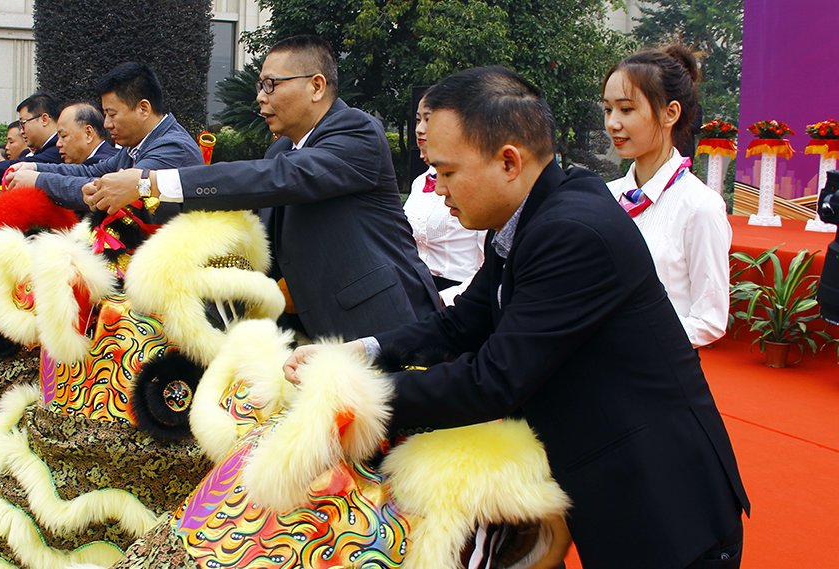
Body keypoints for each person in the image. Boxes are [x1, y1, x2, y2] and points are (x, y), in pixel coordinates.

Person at [284, 67, 749, 569]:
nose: (437, 188)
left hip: (660, 499)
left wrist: (349, 400)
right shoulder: (531, 215)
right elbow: (461, 325)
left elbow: (493, 381)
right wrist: (359, 352)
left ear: (509, 161)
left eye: (447, 172)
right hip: (609, 479)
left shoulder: (571, 232)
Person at [86, 36, 439, 340]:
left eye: (271, 85)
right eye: (259, 86)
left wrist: (149, 182)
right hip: (313, 328)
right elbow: (243, 207)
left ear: (316, 86)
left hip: (385, 323)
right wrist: (137, 207)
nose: (260, 98)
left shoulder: (356, 132)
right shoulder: (281, 149)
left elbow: (271, 178)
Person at [603, 46, 730, 348]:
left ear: (670, 113)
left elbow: (709, 320)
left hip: (657, 377)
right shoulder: (606, 196)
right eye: (608, 109)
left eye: (626, 109)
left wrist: (631, 338)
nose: (612, 123)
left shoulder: (701, 207)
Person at [0, 62, 202, 214]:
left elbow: (106, 191)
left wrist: (38, 181)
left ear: (143, 108)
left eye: (112, 114)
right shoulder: (136, 146)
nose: (107, 124)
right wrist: (36, 169)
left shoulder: (172, 147)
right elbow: (91, 171)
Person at [405, 96, 485, 304]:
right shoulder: (419, 182)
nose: (420, 129)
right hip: (415, 291)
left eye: (429, 120)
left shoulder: (478, 184)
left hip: (458, 297)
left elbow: (491, 265)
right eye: (417, 120)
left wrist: (444, 299)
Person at [55, 102, 118, 166]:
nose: (58, 144)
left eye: (63, 136)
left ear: (88, 134)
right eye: (58, 138)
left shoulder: (103, 163)